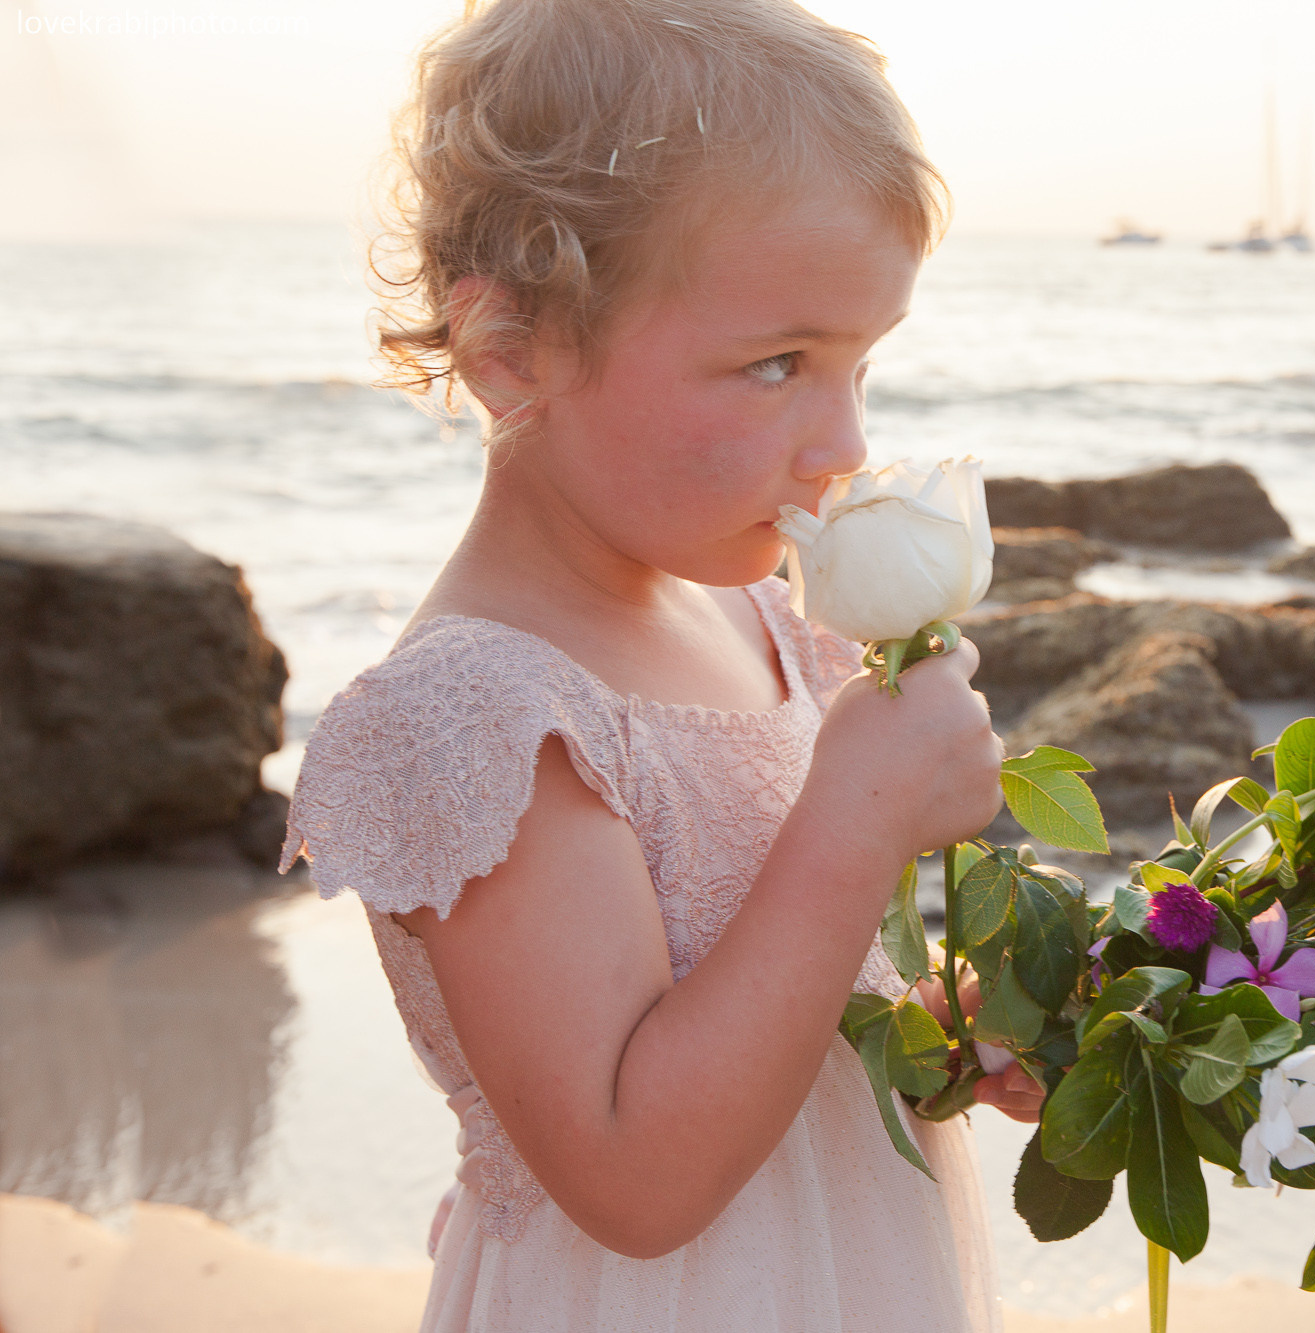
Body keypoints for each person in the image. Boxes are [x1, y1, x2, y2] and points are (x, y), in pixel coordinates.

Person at [280, 2, 1036, 1327]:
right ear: (512, 352)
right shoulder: (482, 717)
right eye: (777, 364)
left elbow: (775, 1017)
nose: (845, 444)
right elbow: (636, 1174)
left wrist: (935, 1034)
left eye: (860, 365)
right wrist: (860, 818)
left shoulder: (767, 626)